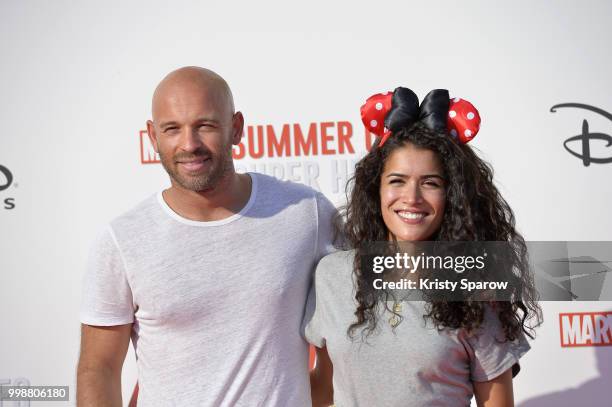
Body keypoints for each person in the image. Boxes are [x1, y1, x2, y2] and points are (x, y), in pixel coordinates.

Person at [76, 66, 337, 406]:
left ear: (236, 128)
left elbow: (364, 308)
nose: (189, 144)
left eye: (205, 125)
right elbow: (100, 369)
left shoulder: (306, 213)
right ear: (153, 137)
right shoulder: (122, 241)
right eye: (172, 129)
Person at [305, 87, 542, 406]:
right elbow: (323, 390)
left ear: (452, 196)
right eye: (397, 181)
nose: (412, 198)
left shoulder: (477, 288)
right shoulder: (332, 275)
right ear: (376, 190)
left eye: (430, 183)